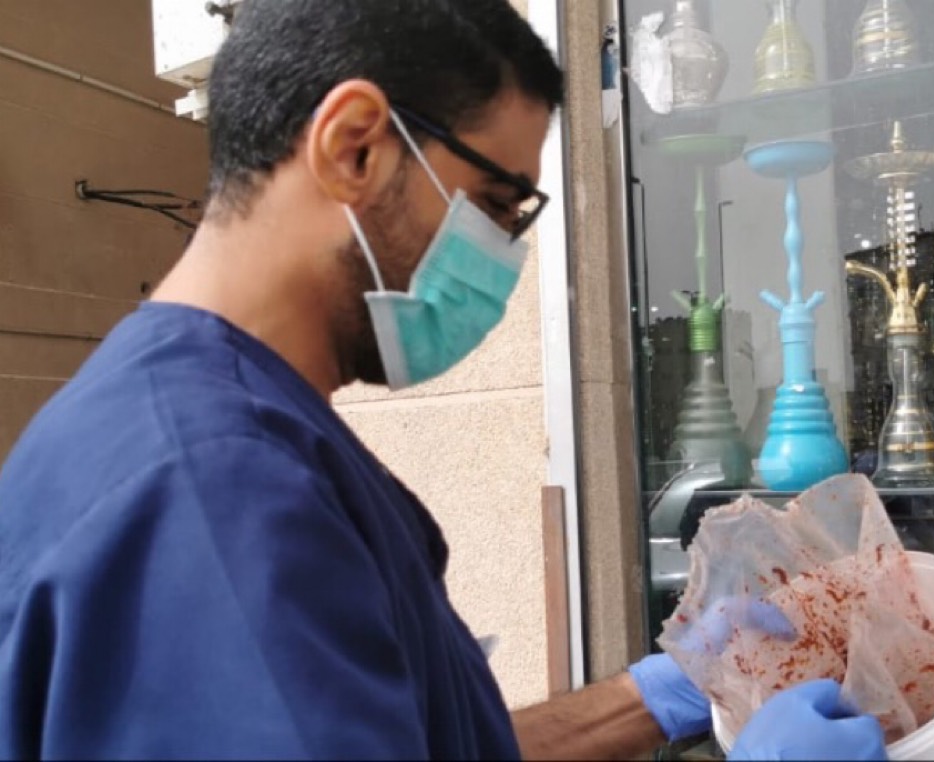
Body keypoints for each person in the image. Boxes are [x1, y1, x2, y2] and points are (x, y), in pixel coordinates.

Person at [0, 1, 887, 759]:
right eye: (497, 206)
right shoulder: (216, 492)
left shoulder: (208, 422)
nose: (500, 258)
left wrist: (657, 693)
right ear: (354, 147)